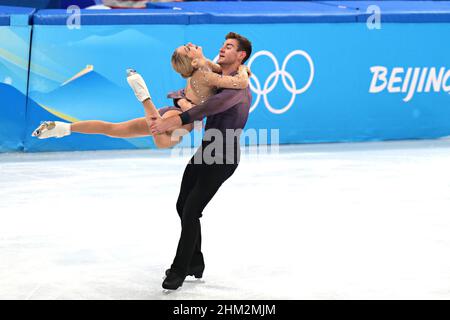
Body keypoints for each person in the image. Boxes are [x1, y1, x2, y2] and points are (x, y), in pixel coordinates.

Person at [149, 32, 252, 290]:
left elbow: (203, 110)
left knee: (192, 210)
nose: (222, 49)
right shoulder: (221, 79)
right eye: (223, 45)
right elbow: (186, 92)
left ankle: (178, 270)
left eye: (229, 47)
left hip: (224, 155)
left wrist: (167, 121)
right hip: (208, 149)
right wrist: (181, 99)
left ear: (241, 55)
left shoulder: (236, 89)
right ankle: (195, 261)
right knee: (182, 205)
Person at [32, 43, 250, 149]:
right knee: (164, 143)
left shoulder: (201, 68)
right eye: (188, 48)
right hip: (183, 116)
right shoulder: (205, 72)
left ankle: (63, 129)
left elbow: (214, 70)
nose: (192, 45)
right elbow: (237, 82)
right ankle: (146, 100)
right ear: (193, 61)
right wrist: (243, 70)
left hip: (171, 111)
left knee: (114, 129)